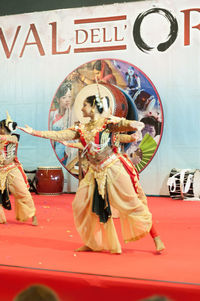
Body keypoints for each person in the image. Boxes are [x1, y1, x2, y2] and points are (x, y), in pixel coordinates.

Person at [19, 94, 165, 254]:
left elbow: (129, 125)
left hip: (112, 167)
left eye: (85, 105)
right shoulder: (81, 128)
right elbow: (59, 135)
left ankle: (156, 237)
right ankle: (93, 242)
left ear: (94, 106)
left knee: (131, 203)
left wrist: (131, 124)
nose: (82, 109)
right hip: (94, 172)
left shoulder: (107, 124)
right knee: (82, 206)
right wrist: (35, 132)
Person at [0, 112, 37, 225]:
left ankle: (33, 215)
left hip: (11, 169)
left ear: (3, 128)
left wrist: (6, 161)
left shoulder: (14, 138)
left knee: (23, 193)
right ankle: (1, 219)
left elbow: (11, 156)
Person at [50, 81, 73, 165]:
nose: (67, 100)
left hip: (66, 151)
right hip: (53, 150)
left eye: (69, 97)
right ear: (57, 100)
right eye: (64, 97)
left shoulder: (72, 115)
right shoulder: (52, 114)